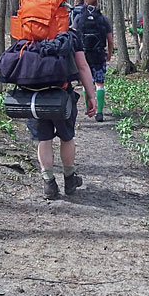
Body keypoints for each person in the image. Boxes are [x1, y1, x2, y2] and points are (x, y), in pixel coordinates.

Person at [25, 28, 97, 200]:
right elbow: (82, 66)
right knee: (67, 137)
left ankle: (48, 183)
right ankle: (69, 179)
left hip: (34, 96)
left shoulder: (27, 31)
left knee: (44, 139)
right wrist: (91, 95)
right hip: (62, 95)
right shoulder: (70, 34)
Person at [73, 0, 114, 122]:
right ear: (97, 4)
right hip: (99, 54)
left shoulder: (79, 18)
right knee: (99, 83)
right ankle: (100, 112)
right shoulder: (103, 19)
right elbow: (110, 40)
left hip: (84, 55)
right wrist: (110, 53)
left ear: (85, 3)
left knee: (87, 81)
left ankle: (88, 108)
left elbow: (73, 36)